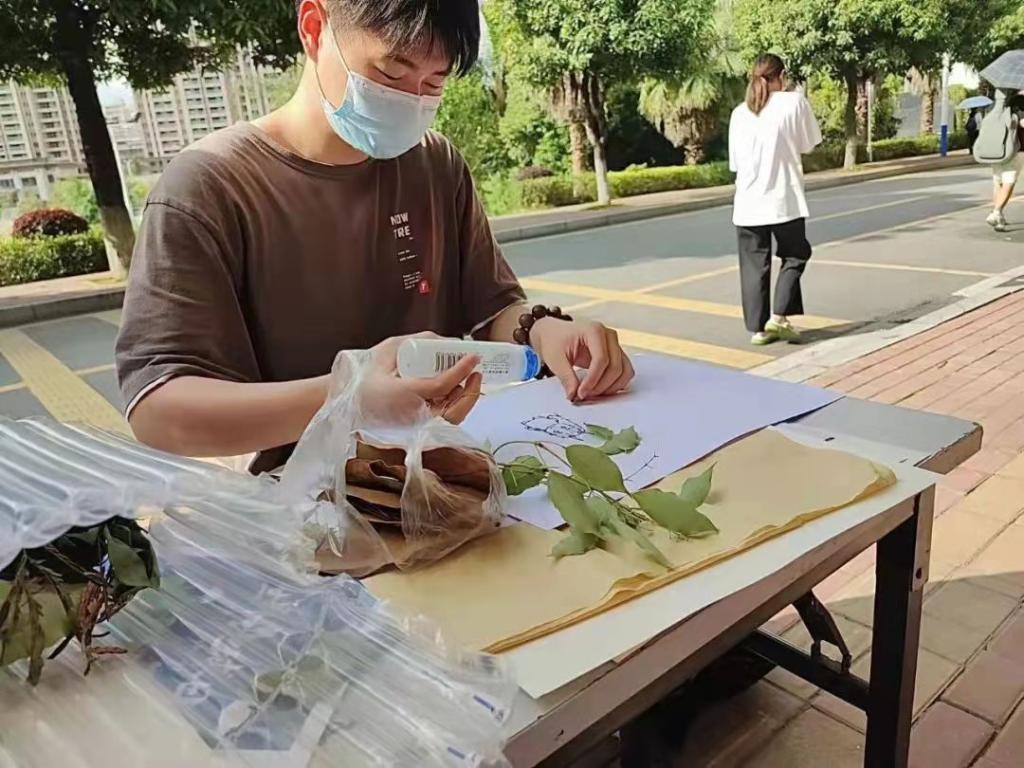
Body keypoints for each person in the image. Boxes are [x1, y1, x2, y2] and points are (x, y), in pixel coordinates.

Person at [115, 0, 634, 472]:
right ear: (314, 28)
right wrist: (347, 398)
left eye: (434, 83)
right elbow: (159, 409)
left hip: (442, 486)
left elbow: (491, 307)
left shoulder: (435, 165)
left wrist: (542, 330)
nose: (412, 100)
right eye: (391, 73)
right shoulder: (209, 187)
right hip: (292, 514)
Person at [728, 54, 822, 346]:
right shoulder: (793, 102)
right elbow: (809, 144)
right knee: (796, 254)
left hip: (747, 204)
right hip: (783, 200)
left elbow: (735, 163)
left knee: (754, 267)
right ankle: (779, 317)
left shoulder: (739, 112)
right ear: (781, 76)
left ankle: (759, 330)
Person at [986, 101, 1023, 233]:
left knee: (998, 183)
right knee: (1009, 183)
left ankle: (999, 217)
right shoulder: (1020, 108)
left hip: (996, 151)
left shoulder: (996, 108)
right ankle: (996, 212)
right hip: (1015, 151)